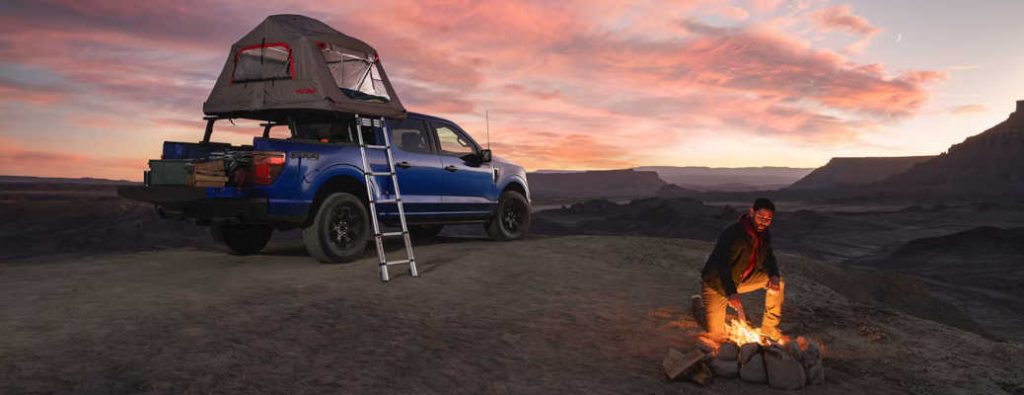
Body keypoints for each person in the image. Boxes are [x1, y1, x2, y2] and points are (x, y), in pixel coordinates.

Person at [700, 198, 784, 341]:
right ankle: (698, 305)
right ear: (751, 212)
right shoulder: (733, 233)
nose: (763, 222)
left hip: (740, 280)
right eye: (760, 217)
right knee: (717, 336)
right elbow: (723, 265)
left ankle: (770, 329)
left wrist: (774, 275)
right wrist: (731, 293)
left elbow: (769, 257)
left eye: (768, 219)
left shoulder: (764, 234)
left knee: (778, 282)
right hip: (717, 285)